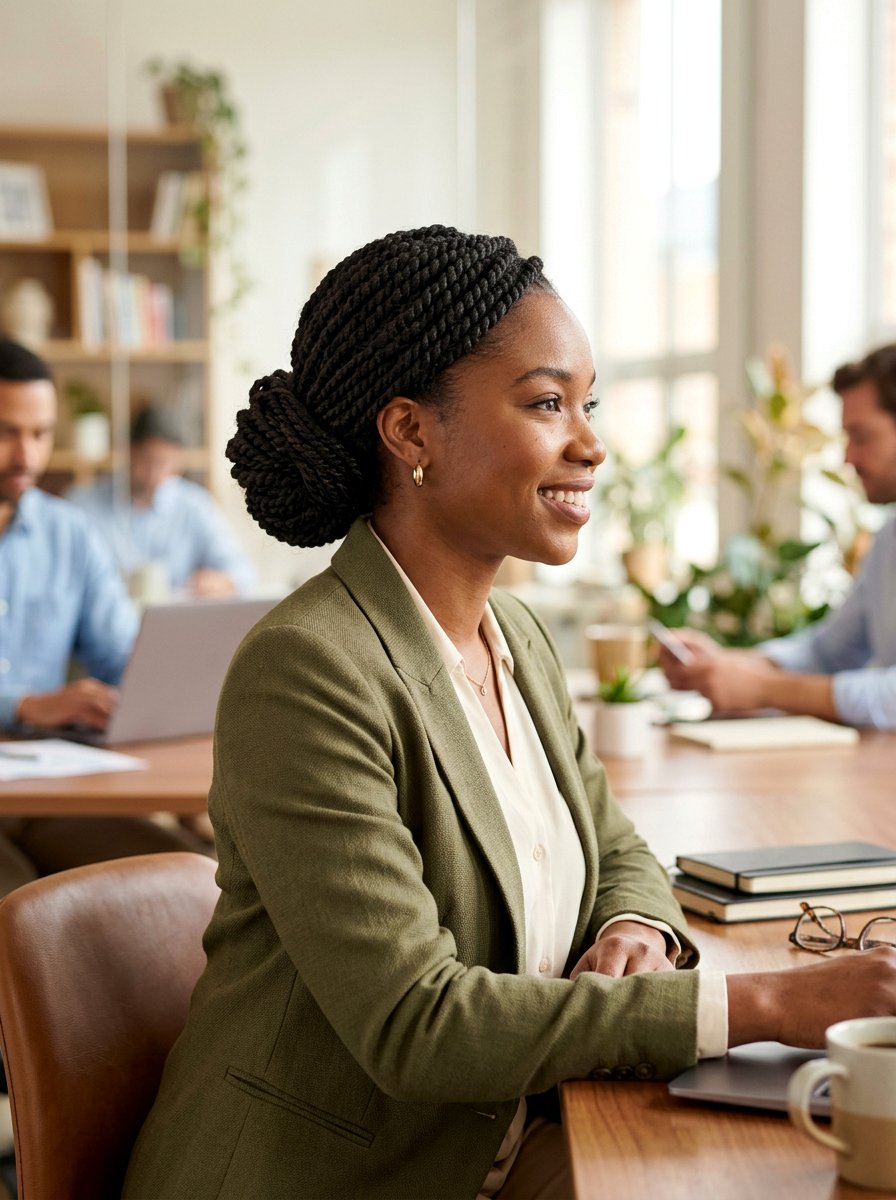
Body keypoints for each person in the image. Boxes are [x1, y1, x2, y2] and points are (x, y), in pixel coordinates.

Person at [124, 228, 896, 1200]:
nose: (591, 442)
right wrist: (773, 1000)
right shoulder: (308, 670)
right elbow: (418, 1025)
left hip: (501, 1144)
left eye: (588, 404)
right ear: (410, 433)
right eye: (545, 403)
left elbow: (618, 852)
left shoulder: (517, 640)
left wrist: (636, 934)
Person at [0, 339, 210, 898]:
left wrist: (166, 685)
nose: (26, 455)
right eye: (7, 432)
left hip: (50, 793)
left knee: (198, 875)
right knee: (20, 911)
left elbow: (121, 657)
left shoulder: (68, 533)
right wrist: (23, 704)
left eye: (40, 433)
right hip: (25, 786)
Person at [659, 343, 896, 729]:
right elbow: (828, 651)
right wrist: (731, 666)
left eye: (862, 436)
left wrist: (763, 688)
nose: (847, 458)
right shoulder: (889, 540)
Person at [67, 403, 256, 598]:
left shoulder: (195, 506)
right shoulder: (84, 503)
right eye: (148, 461)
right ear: (130, 452)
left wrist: (219, 583)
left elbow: (243, 574)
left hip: (175, 622)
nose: (154, 474)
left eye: (164, 463)